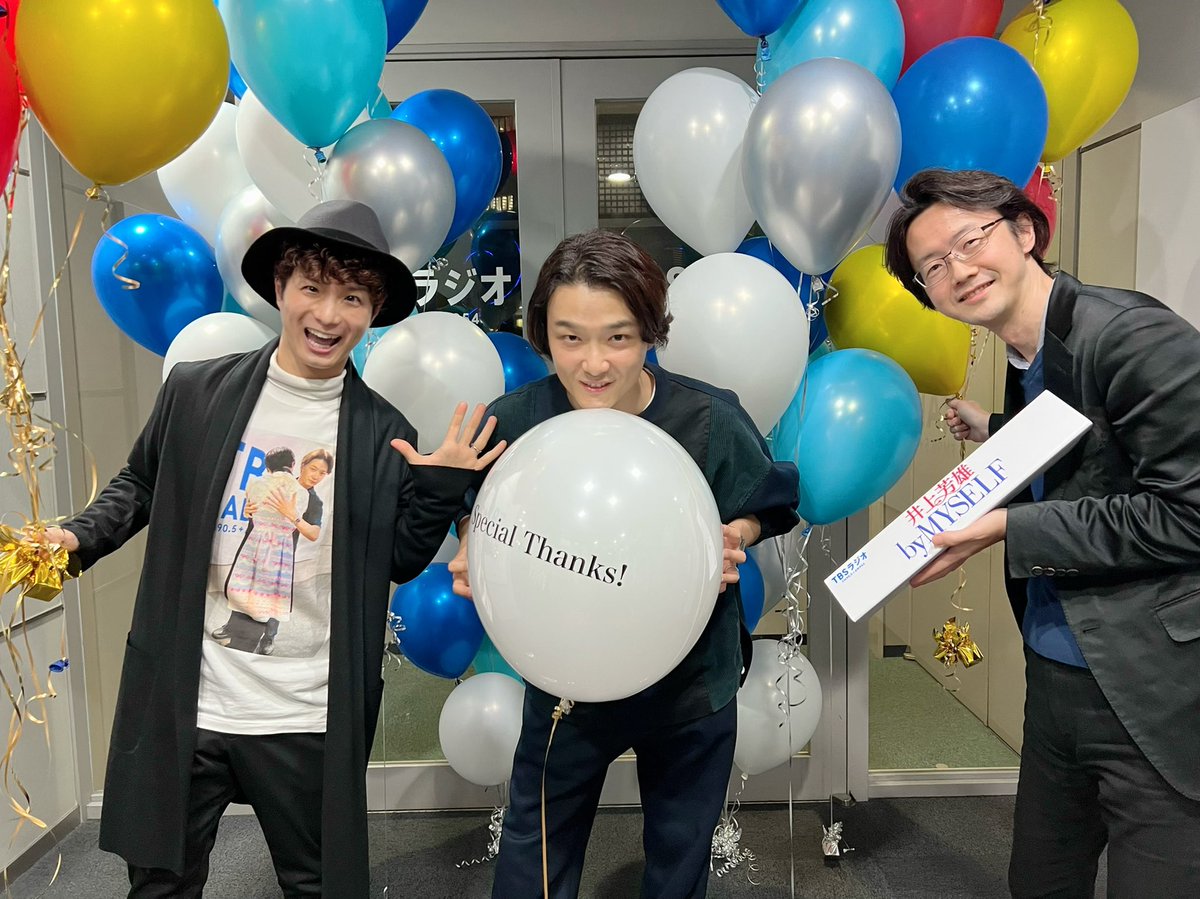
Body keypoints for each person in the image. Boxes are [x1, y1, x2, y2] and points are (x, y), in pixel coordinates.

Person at [43, 200, 505, 897]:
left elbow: (401, 560)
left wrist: (439, 489)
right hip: (192, 696)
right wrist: (77, 537)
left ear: (373, 310)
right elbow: (141, 483)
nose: (328, 314)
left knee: (317, 885)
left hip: (306, 710)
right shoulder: (198, 391)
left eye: (352, 298)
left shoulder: (382, 432)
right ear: (282, 287)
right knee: (160, 884)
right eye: (312, 288)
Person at [450, 230, 800, 898]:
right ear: (543, 333)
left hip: (690, 683)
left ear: (649, 332)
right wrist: (473, 538)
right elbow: (472, 502)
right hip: (566, 683)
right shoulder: (516, 423)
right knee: (534, 855)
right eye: (570, 338)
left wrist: (738, 530)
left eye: (618, 337)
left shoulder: (707, 418)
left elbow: (776, 499)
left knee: (678, 861)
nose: (594, 363)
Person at [883, 168, 1200, 897]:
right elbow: (1088, 453)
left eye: (970, 241)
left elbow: (1188, 513)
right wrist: (995, 431)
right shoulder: (1029, 353)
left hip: (1151, 683)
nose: (958, 270)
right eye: (933, 266)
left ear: (1024, 231)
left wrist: (1007, 526)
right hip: (1057, 669)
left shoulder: (1131, 335)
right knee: (1040, 880)